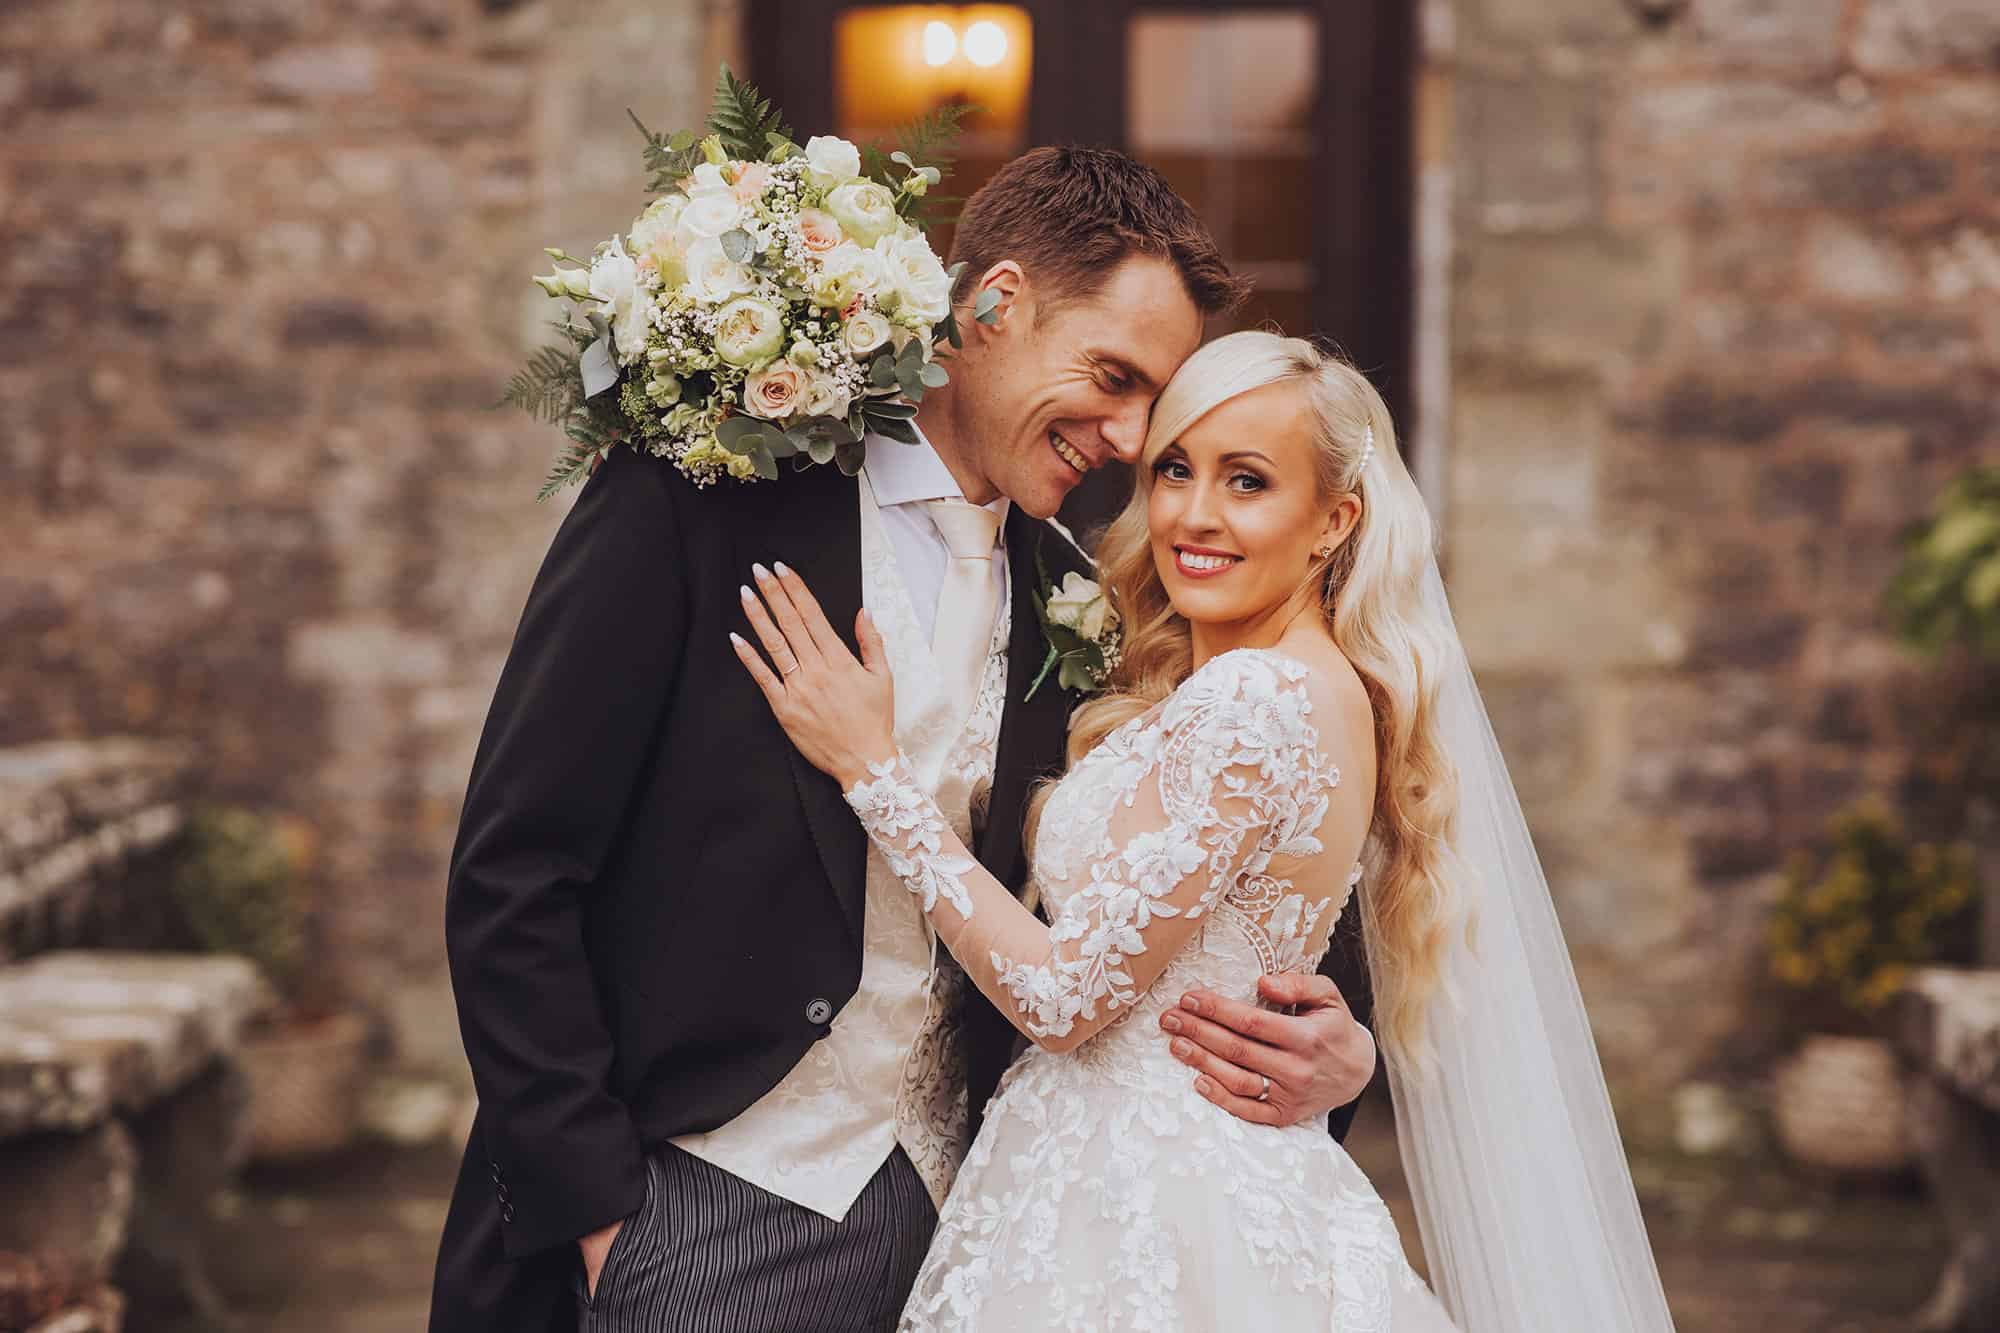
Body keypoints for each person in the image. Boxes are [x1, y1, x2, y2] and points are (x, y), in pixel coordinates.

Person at [430, 149, 1379, 1333]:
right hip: (685, 1201)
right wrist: (603, 1223)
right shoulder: (701, 504)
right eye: (1112, 376)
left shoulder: (1084, 600)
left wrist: (1330, 1061)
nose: (1134, 441)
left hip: (973, 1232)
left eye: (1159, 404)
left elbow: (1213, 873)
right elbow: (515, 869)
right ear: (991, 303)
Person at [737, 330, 1679, 1331]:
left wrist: (872, 773)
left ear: (1331, 522)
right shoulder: (1293, 683)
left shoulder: (1257, 697)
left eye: (1246, 481)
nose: (1192, 514)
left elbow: (1064, 998)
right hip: (1151, 1171)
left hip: (1149, 1207)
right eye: (1176, 470)